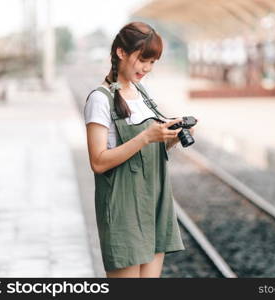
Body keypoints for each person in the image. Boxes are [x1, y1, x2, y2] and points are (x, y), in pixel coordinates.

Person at [83, 22, 194, 278]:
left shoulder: (142, 92)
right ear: (121, 52)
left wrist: (171, 137)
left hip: (153, 200)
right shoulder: (100, 99)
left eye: (153, 62)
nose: (147, 68)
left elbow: (146, 150)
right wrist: (145, 137)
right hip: (123, 208)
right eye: (143, 59)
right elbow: (98, 162)